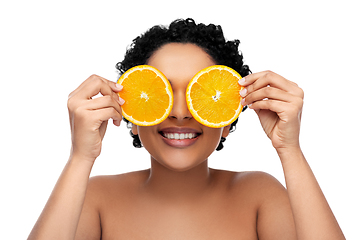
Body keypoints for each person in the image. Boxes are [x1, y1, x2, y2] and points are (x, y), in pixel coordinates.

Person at [28, 18, 345, 239]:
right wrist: (80, 158)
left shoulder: (259, 195)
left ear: (227, 121)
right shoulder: (96, 199)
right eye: (162, 94)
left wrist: (290, 151)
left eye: (200, 96)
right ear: (133, 117)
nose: (180, 113)